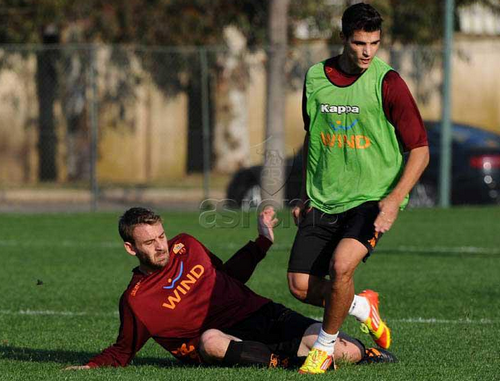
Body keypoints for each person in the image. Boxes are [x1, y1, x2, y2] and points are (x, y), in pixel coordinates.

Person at [64, 206, 396, 371]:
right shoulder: (137, 301)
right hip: (226, 341)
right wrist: (89, 367)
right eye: (149, 242)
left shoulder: (187, 245)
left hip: (261, 313)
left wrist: (263, 241)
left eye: (161, 236)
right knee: (210, 340)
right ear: (130, 248)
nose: (161, 246)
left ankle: (367, 352)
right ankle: (285, 363)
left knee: (340, 348)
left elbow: (228, 275)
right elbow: (123, 351)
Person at [288, 2, 429, 374]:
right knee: (299, 286)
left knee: (341, 266)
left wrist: (394, 200)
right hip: (323, 198)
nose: (367, 51)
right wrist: (304, 193)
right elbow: (313, 138)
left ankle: (324, 347)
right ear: (342, 39)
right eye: (359, 43)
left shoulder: (388, 82)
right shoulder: (315, 78)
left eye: (375, 43)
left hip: (371, 199)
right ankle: (362, 307)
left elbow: (420, 150)